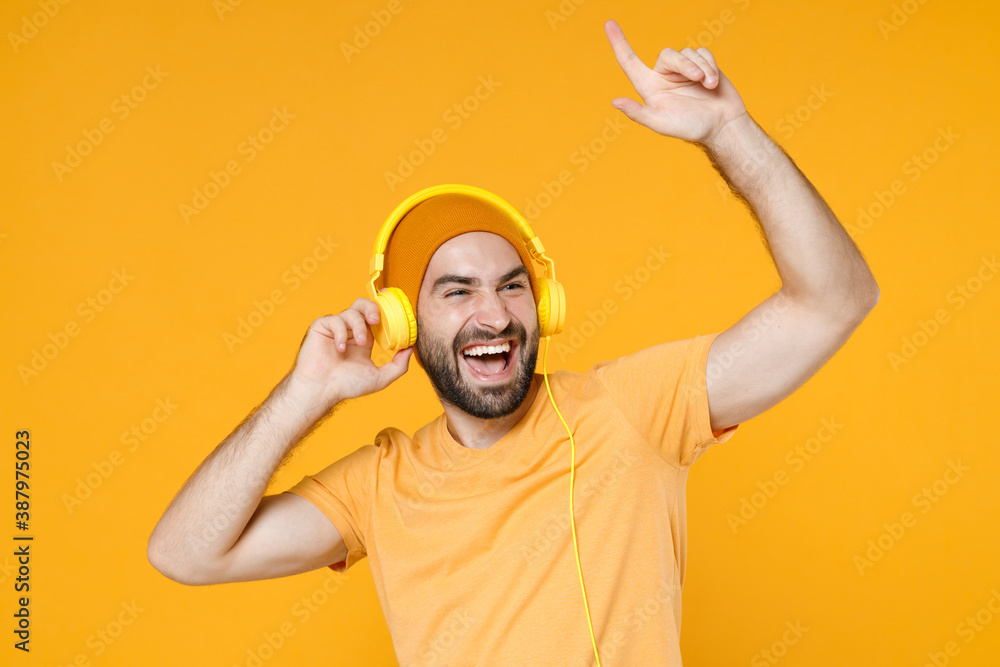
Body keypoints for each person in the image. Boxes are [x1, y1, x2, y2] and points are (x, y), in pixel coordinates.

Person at [147, 19, 879, 666]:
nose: (493, 313)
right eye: (456, 290)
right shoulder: (380, 485)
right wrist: (302, 395)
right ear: (406, 322)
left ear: (545, 305)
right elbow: (183, 552)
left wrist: (729, 132)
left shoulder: (631, 408)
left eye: (512, 284)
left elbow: (835, 300)